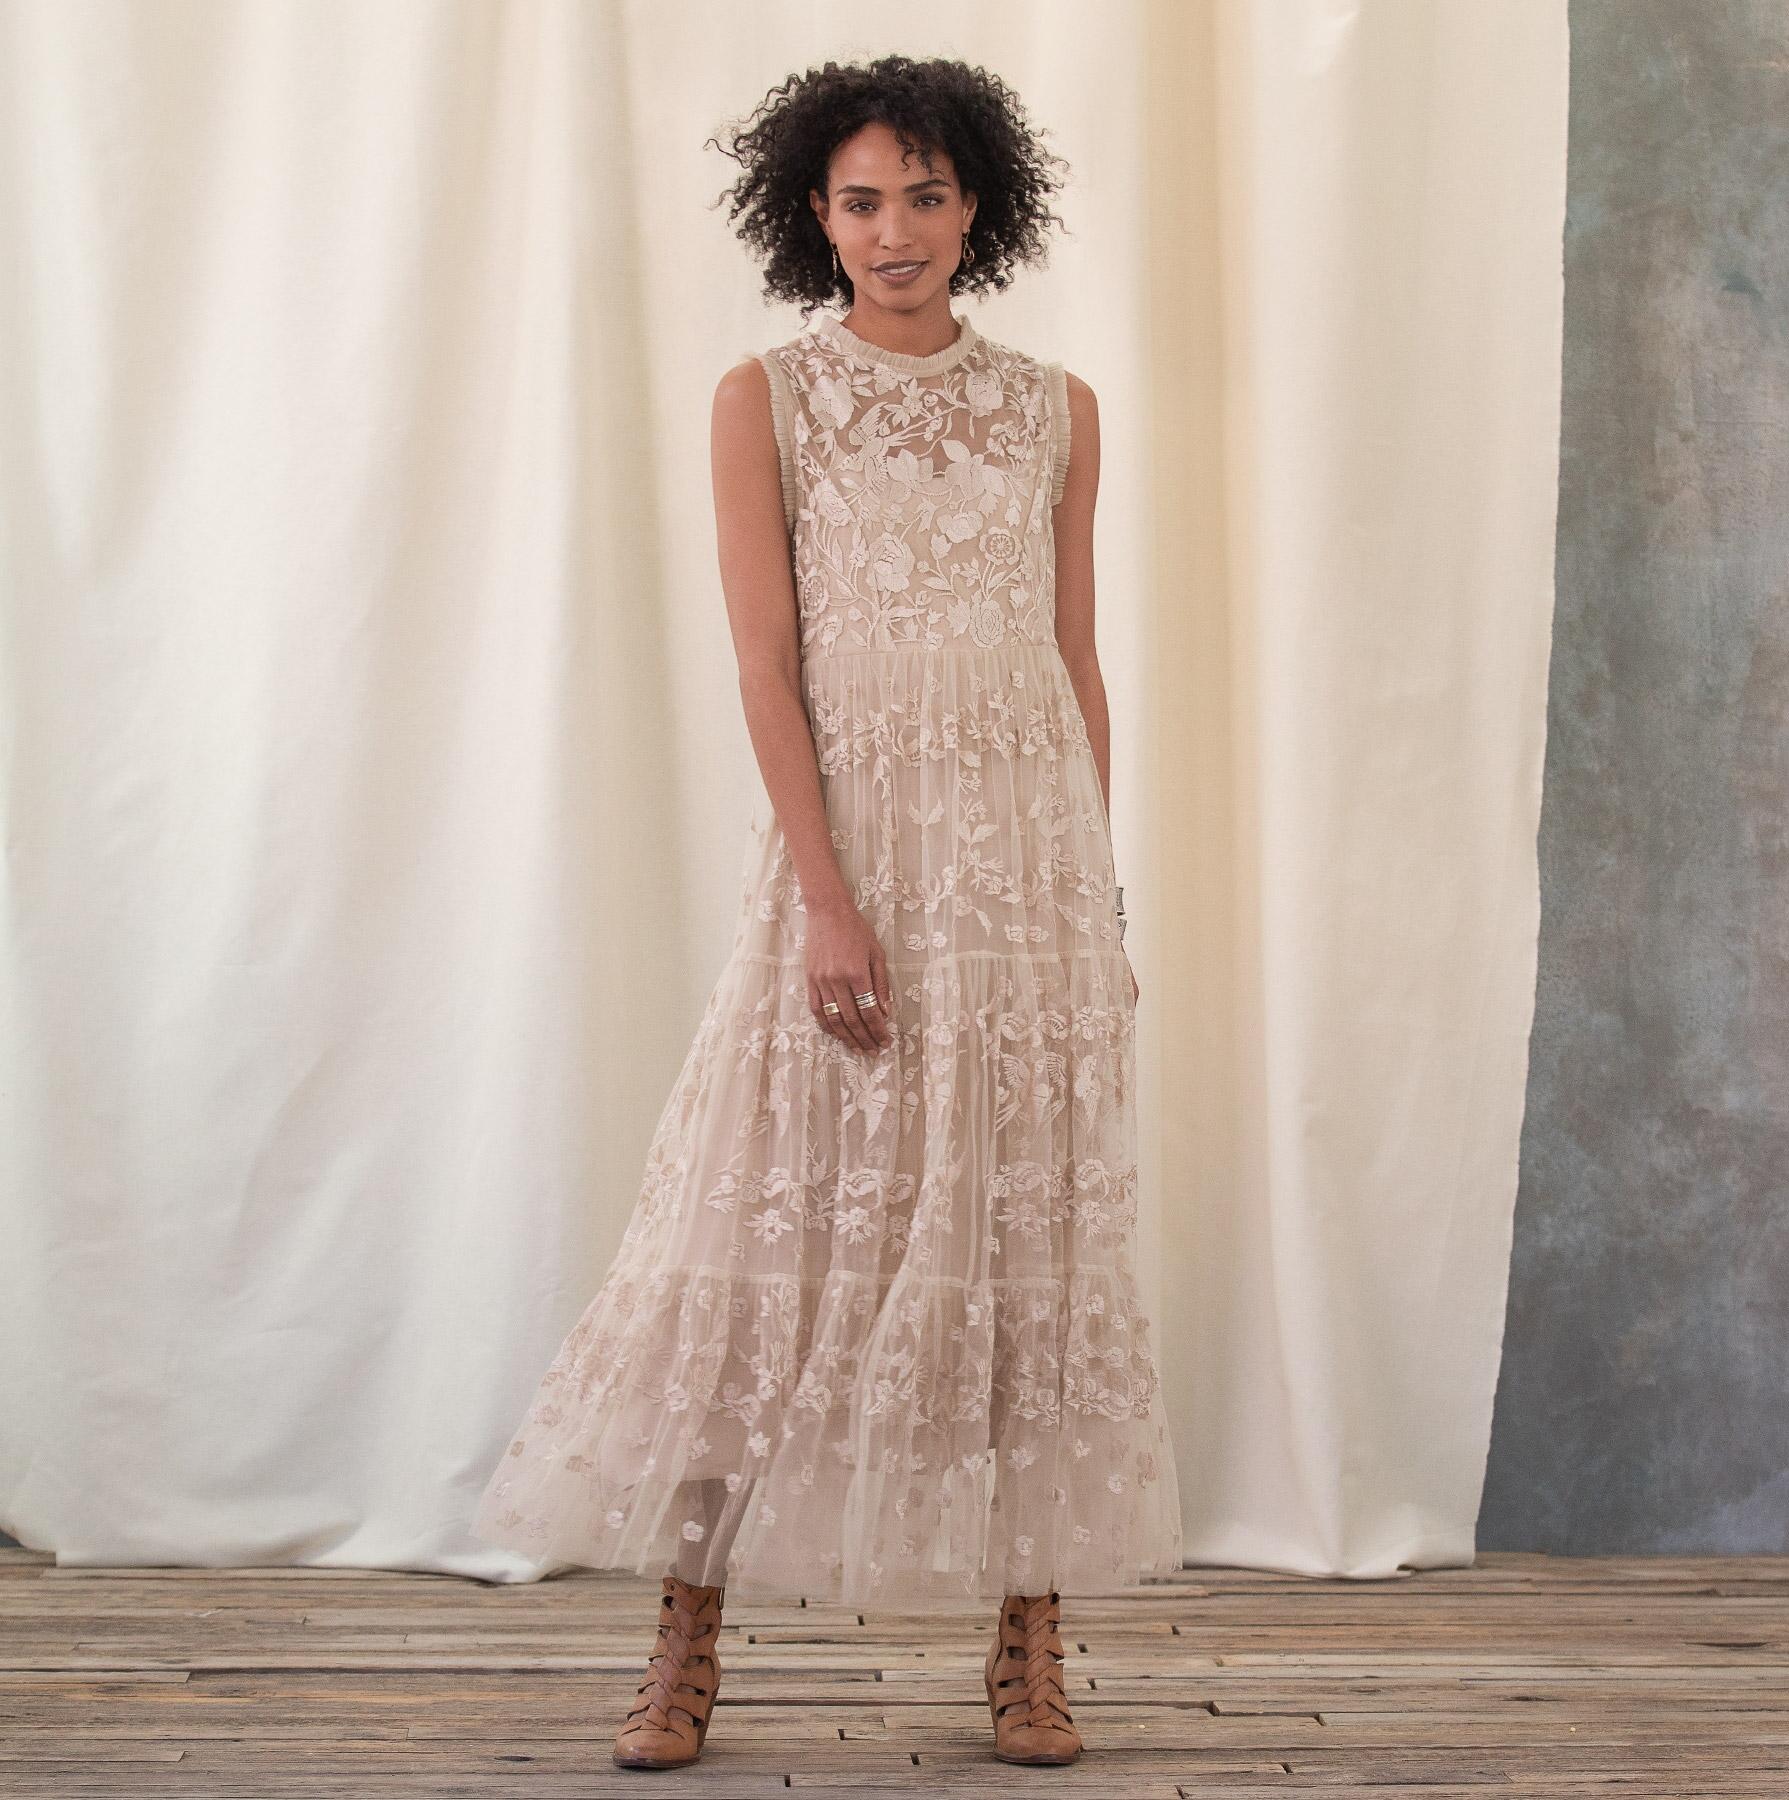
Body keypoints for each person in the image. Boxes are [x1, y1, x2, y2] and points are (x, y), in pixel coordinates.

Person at [472, 52, 1184, 1772]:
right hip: (851, 863)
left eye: (927, 196)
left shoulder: (1058, 408)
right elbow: (766, 664)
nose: (897, 231)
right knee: (761, 1247)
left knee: (1024, 1249)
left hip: (1024, 885)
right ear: (815, 214)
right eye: (864, 201)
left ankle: (1030, 1647)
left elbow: (1074, 661)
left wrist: (1090, 899)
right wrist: (824, 900)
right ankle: (682, 1647)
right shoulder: (766, 400)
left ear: (978, 206)